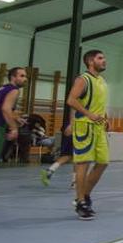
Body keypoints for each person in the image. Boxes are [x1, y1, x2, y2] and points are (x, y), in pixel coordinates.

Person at [67, 50, 110, 220]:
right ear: (90, 62)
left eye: (103, 57)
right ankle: (80, 201)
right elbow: (71, 100)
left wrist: (105, 117)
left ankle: (84, 195)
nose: (104, 60)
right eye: (100, 58)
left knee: (103, 162)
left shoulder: (101, 81)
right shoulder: (83, 79)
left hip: (98, 127)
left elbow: (99, 103)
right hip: (84, 126)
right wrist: (88, 114)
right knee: (83, 163)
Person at [0, 67, 27, 175]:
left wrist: (16, 117)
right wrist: (14, 129)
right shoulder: (14, 90)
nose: (25, 79)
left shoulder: (3, 88)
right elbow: (5, 109)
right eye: (22, 76)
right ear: (13, 77)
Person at [41, 115, 75, 187]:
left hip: (73, 126)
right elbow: (73, 107)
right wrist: (72, 124)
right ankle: (75, 182)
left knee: (69, 155)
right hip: (76, 127)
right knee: (79, 156)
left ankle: (50, 170)